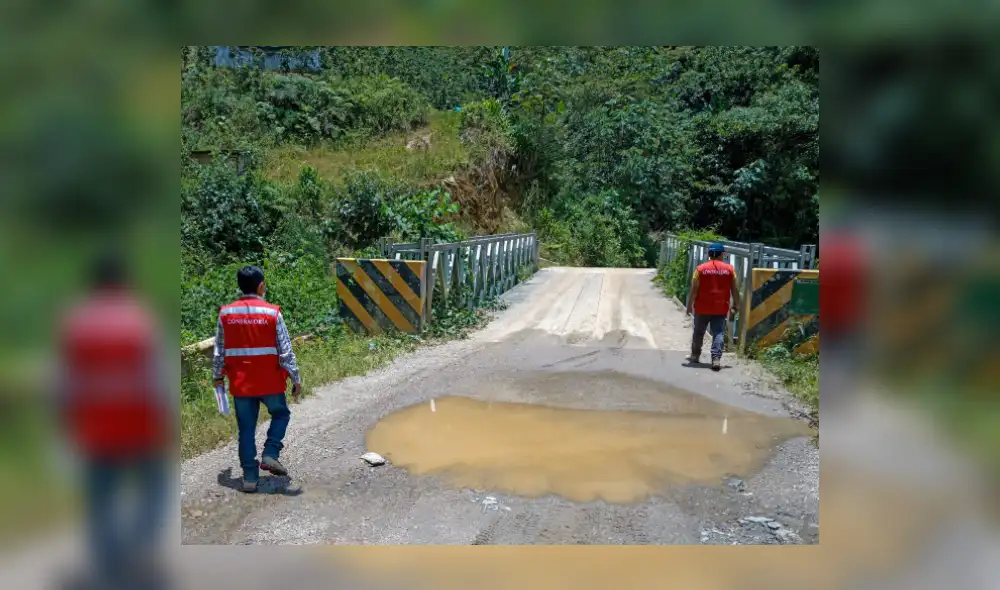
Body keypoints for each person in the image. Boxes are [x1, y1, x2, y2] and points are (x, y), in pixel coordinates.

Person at [57, 250, 172, 589]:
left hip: (96, 430)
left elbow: (65, 384)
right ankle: (138, 549)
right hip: (140, 427)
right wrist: (164, 421)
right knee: (154, 489)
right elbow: (156, 380)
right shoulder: (141, 320)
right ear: (124, 281)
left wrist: (66, 424)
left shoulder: (76, 323)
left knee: (100, 499)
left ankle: (109, 563)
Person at [213, 265, 301, 493]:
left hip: (241, 384)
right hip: (270, 381)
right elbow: (285, 350)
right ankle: (270, 452)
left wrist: (217, 377)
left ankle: (250, 478)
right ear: (261, 286)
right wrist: (295, 378)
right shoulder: (272, 313)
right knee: (281, 414)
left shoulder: (226, 314)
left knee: (246, 429)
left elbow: (219, 350)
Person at [685, 242, 740, 371]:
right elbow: (735, 289)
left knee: (699, 332)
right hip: (720, 308)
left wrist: (689, 305)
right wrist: (737, 304)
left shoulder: (700, 269)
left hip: (702, 307)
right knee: (718, 333)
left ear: (709, 254)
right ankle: (716, 359)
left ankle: (695, 355)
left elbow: (694, 289)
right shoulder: (730, 270)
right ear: (722, 254)